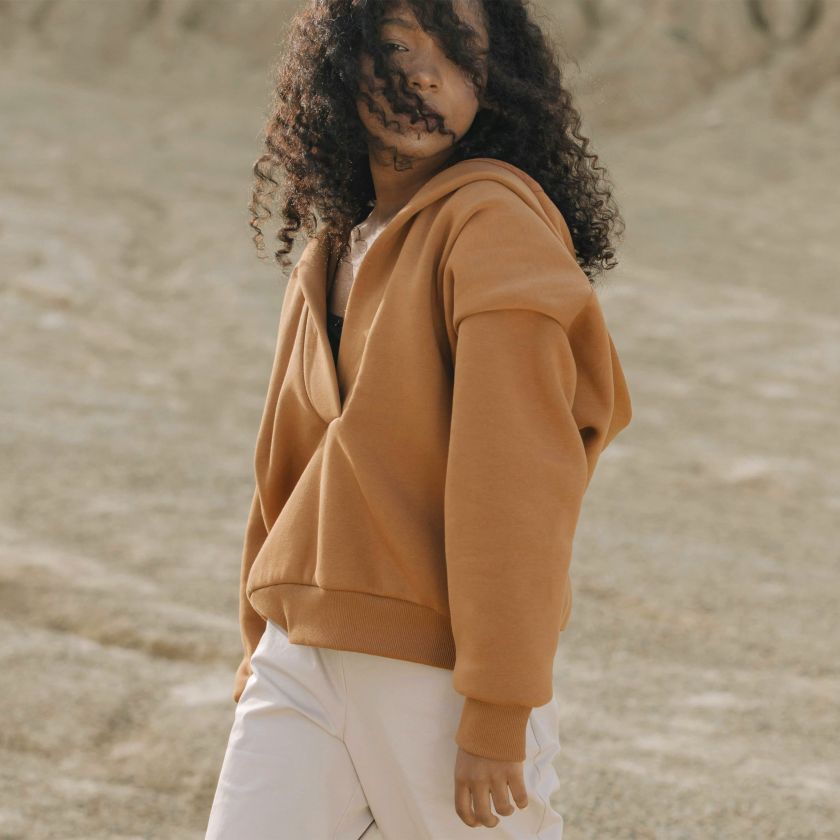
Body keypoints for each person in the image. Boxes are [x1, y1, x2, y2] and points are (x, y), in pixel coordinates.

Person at [205, 0, 632, 837]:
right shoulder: (331, 248)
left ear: (494, 83)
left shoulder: (495, 229)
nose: (428, 76)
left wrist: (499, 704)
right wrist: (259, 643)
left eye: (460, 54)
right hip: (301, 656)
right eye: (399, 47)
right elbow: (284, 471)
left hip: (439, 675)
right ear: (341, 67)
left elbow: (517, 484)